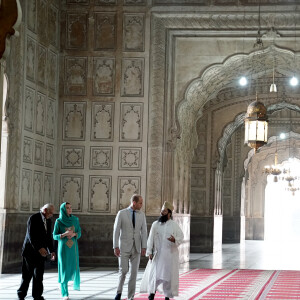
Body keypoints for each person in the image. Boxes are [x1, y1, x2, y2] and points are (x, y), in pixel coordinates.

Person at [140, 201, 184, 300]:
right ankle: (151, 294)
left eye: (164, 211)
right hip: (158, 255)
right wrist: (149, 252)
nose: (161, 213)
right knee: (155, 275)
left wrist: (174, 240)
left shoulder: (174, 225)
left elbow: (181, 236)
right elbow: (150, 238)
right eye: (161, 210)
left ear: (169, 213)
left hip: (170, 256)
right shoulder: (155, 224)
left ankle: (167, 297)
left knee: (168, 277)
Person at [17, 203, 56, 300]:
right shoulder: (33, 218)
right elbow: (31, 236)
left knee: (39, 275)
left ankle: (37, 295)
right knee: (27, 275)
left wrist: (52, 251)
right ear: (45, 210)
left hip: (41, 253)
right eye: (51, 213)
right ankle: (21, 294)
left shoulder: (49, 221)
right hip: (30, 252)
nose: (51, 215)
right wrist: (39, 248)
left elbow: (48, 238)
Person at [113, 194, 148, 300]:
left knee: (134, 273)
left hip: (136, 247)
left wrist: (144, 246)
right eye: (140, 203)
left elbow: (144, 231)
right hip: (123, 247)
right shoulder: (122, 213)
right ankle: (119, 292)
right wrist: (115, 246)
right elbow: (116, 230)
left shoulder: (142, 215)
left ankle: (130, 296)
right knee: (123, 271)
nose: (142, 205)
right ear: (134, 203)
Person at [53, 202, 81, 300]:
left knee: (72, 268)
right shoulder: (59, 221)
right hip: (63, 249)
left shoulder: (75, 220)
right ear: (63, 210)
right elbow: (54, 236)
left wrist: (74, 235)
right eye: (67, 208)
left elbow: (79, 232)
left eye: (70, 208)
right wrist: (64, 234)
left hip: (73, 249)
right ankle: (65, 292)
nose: (69, 210)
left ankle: (62, 286)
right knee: (63, 270)